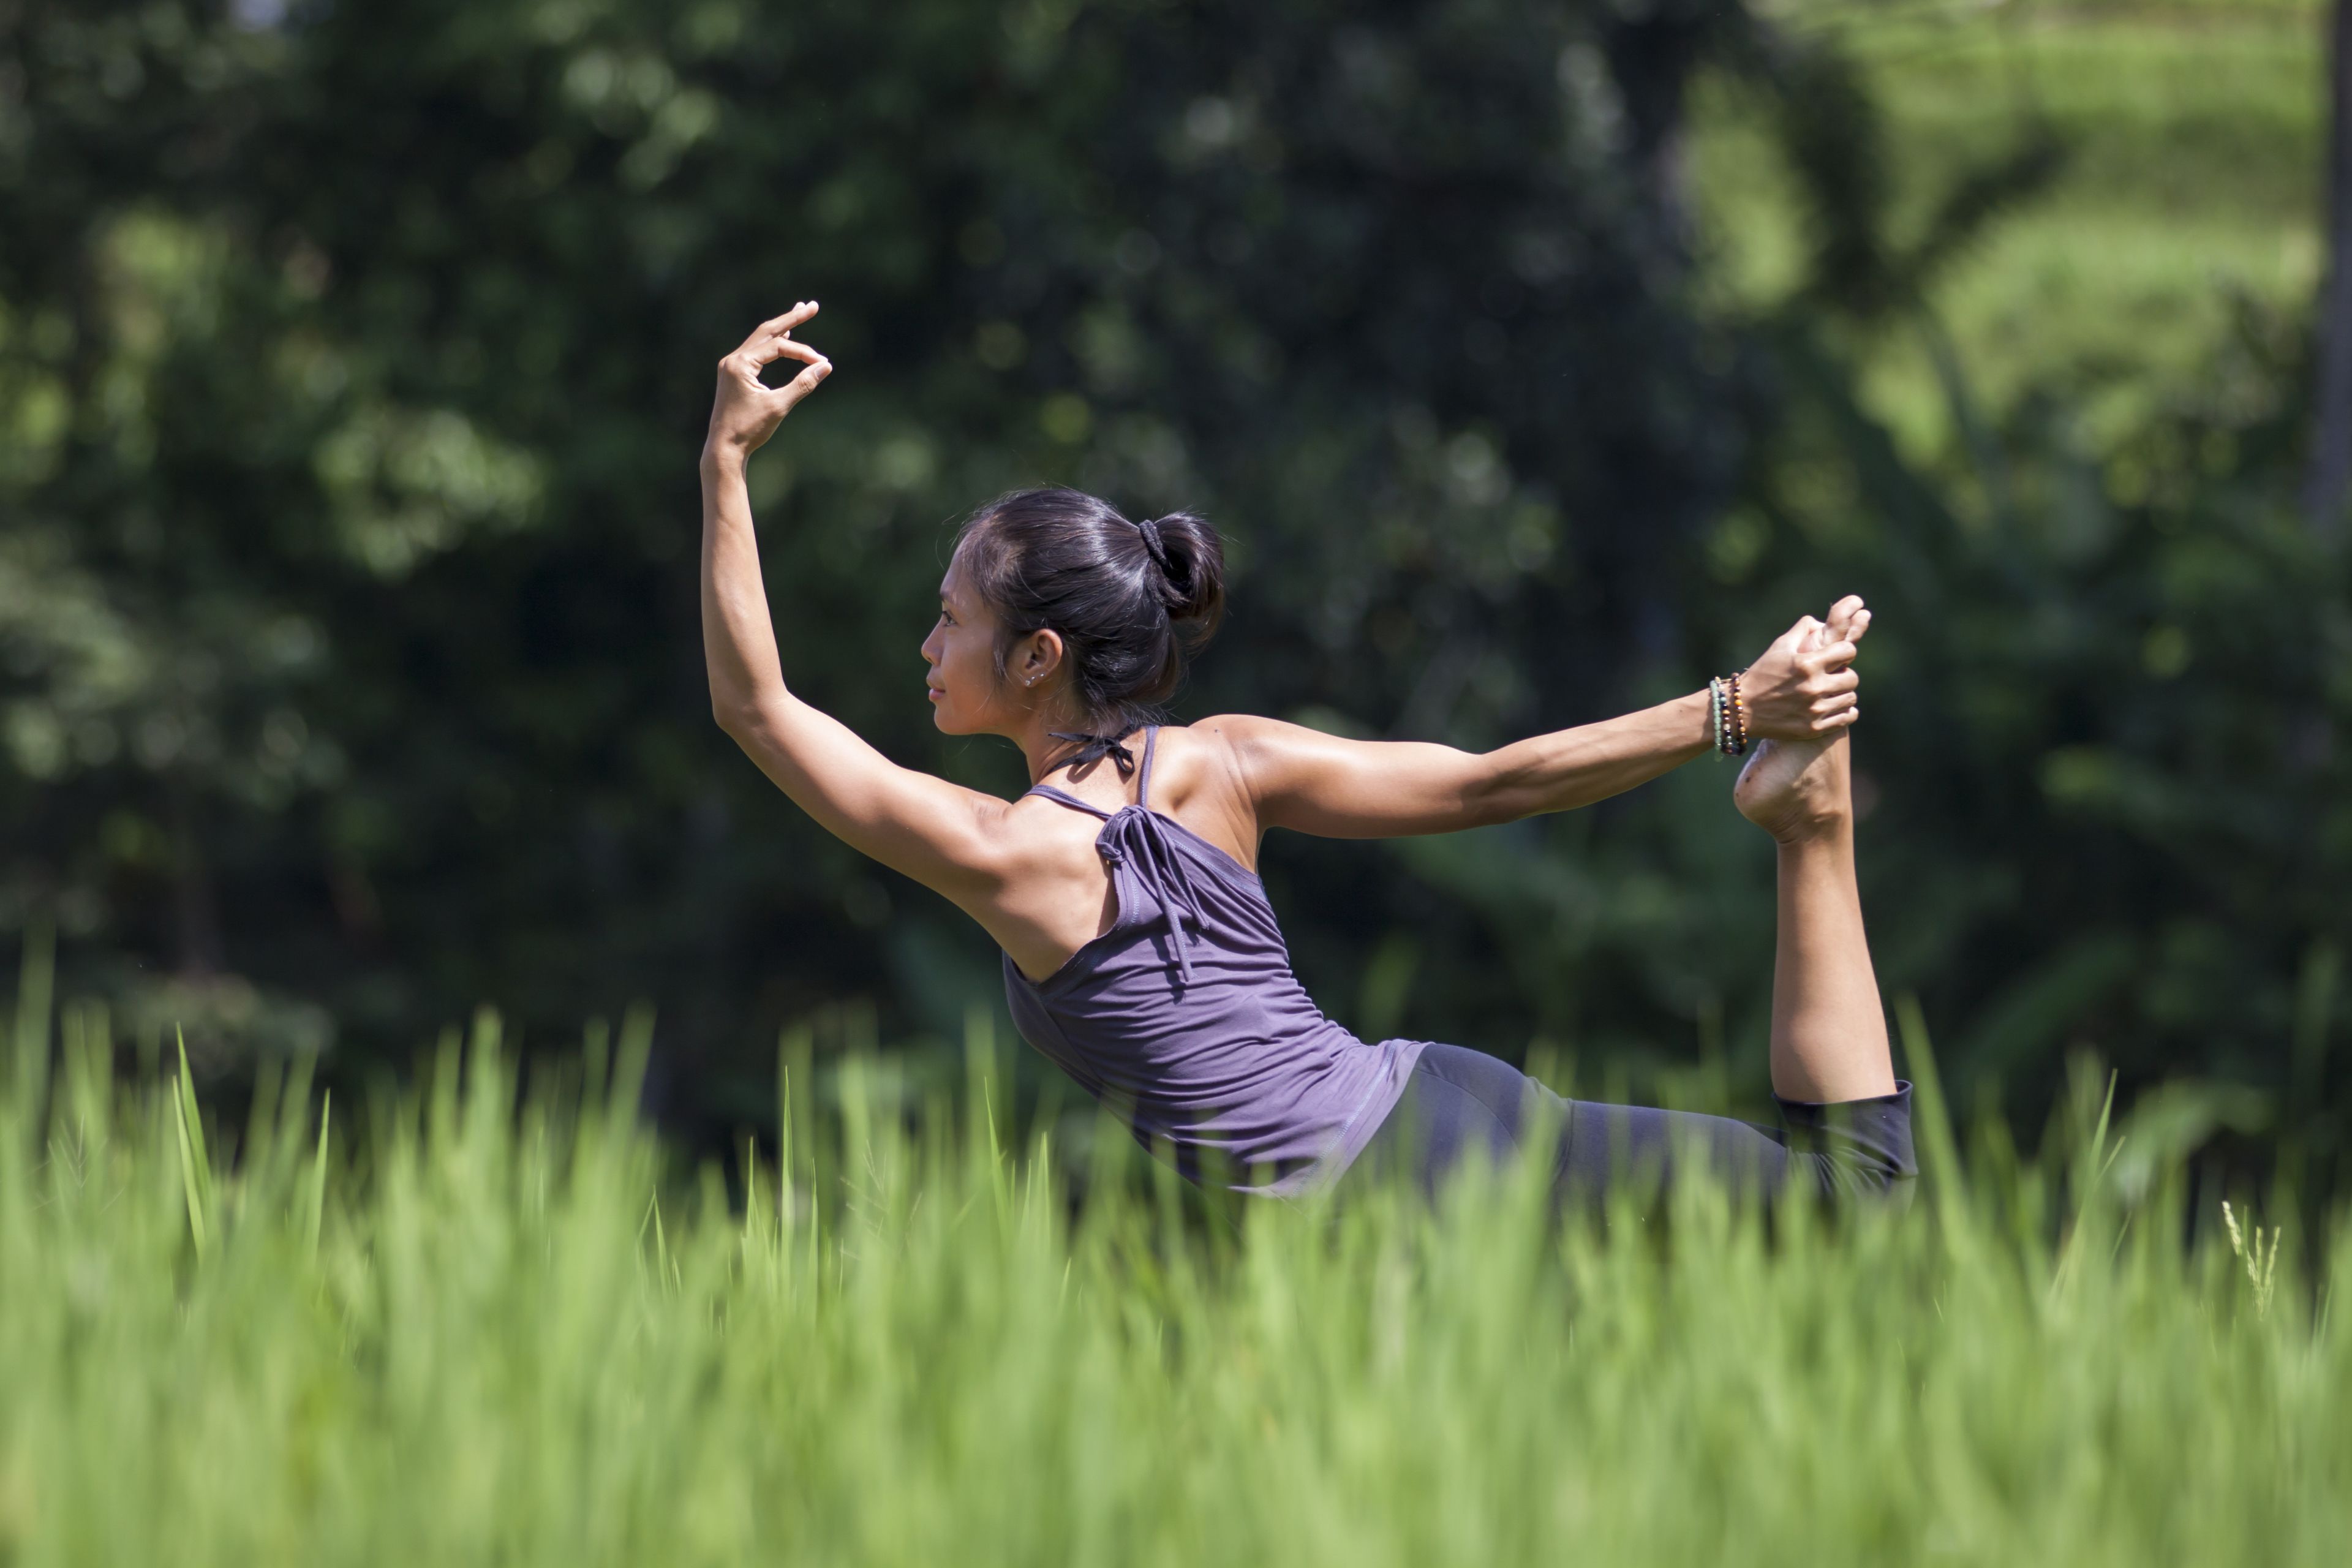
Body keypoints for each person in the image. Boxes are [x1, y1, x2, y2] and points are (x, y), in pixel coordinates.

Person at [701, 304, 1912, 1208]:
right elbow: (1498, 779)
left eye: (951, 618)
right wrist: (1725, 709)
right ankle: (1814, 821)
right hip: (1449, 1100)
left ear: (1037, 656)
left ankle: (1810, 815)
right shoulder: (1222, 760)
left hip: (1406, 1201)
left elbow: (760, 710)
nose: (927, 642)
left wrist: (725, 470)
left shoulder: (1018, 857)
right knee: (1857, 1198)